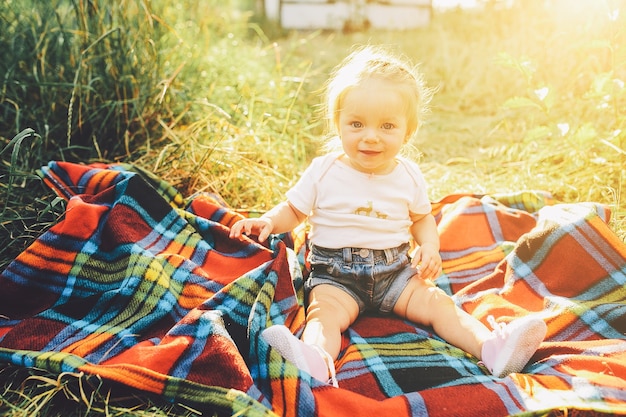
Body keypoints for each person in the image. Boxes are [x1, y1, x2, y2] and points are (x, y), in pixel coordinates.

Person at [229, 45, 547, 386]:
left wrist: (429, 246)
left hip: (396, 273)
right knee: (323, 317)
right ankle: (316, 361)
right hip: (336, 276)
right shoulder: (324, 171)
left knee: (439, 304)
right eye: (356, 123)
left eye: (387, 126)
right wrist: (269, 222)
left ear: (407, 132)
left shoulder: (407, 176)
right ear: (337, 124)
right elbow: (294, 210)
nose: (370, 136)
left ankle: (492, 349)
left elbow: (422, 219)